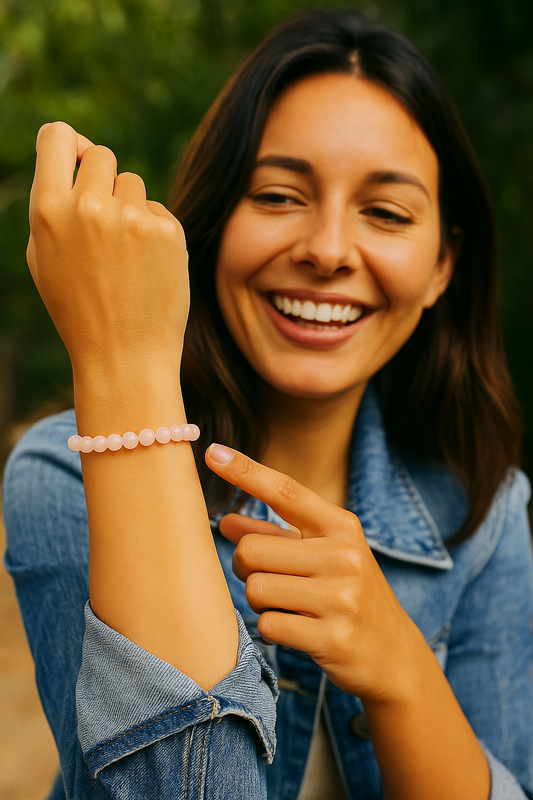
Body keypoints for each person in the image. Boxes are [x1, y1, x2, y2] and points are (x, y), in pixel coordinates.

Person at [3, 8, 533, 800]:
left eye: (385, 212)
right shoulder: (65, 473)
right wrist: (121, 360)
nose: (325, 249)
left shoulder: (484, 506)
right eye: (280, 195)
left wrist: (399, 669)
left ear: (440, 267)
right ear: (212, 226)